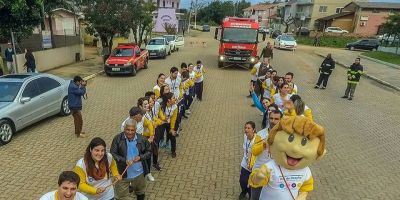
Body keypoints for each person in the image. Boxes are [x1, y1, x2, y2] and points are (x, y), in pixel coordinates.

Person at [249, 116, 327, 200]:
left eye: (304, 142)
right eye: (291, 138)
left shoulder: (306, 172)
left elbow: (305, 188)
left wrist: (302, 196)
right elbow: (255, 182)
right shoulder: (271, 167)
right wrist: (258, 177)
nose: (295, 149)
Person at [110, 119, 151, 200]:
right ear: (124, 129)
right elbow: (112, 154)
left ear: (136, 130)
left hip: (140, 174)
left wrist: (140, 157)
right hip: (122, 175)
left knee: (140, 193)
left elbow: (149, 151)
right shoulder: (117, 139)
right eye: (127, 130)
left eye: (132, 130)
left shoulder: (142, 139)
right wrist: (124, 160)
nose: (130, 132)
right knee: (121, 197)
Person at [250, 110, 283, 200]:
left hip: (275, 174)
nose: (273, 121)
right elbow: (254, 151)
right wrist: (264, 144)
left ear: (281, 120)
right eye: (271, 118)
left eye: (276, 119)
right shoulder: (260, 134)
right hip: (259, 171)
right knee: (255, 197)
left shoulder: (284, 136)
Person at [120, 106, 155, 182]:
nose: (142, 117)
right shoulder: (124, 125)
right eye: (140, 116)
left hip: (142, 143)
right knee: (133, 160)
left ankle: (148, 173)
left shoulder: (142, 118)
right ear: (135, 117)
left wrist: (151, 136)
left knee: (147, 158)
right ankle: (130, 178)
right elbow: (124, 138)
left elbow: (149, 124)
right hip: (132, 145)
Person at [239, 121, 257, 200]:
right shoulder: (245, 136)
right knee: (242, 181)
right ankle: (243, 191)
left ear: (253, 130)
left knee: (251, 184)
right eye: (245, 128)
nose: (246, 130)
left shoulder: (256, 141)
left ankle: (250, 196)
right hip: (245, 163)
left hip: (253, 166)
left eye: (249, 128)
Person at [160, 92, 178, 158]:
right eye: (173, 98)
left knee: (172, 136)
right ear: (168, 100)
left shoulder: (175, 106)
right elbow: (159, 116)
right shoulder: (161, 106)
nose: (175, 99)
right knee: (159, 135)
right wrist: (164, 119)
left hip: (169, 122)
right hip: (161, 123)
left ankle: (173, 151)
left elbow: (173, 118)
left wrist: (172, 128)